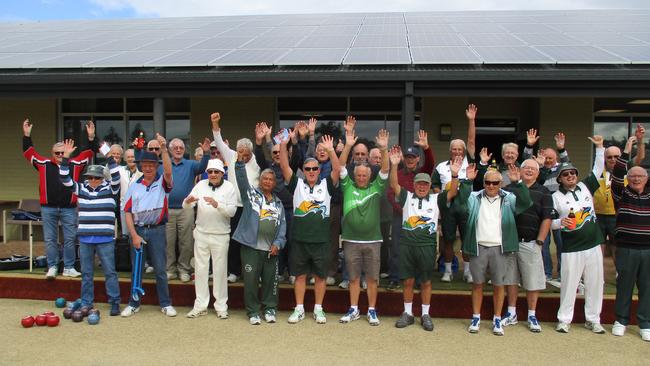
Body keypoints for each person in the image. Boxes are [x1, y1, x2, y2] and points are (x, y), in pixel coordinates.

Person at [390, 148, 459, 331]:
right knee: (408, 281)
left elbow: (452, 192)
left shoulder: (436, 199)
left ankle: (426, 314)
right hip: (407, 246)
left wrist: (454, 174)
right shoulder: (407, 196)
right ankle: (408, 313)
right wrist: (394, 165)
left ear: (429, 186)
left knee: (426, 281)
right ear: (414, 184)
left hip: (427, 246)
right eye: (419, 183)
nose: (422, 186)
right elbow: (394, 185)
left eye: (425, 184)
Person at [460, 163, 532, 336]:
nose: (491, 186)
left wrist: (519, 183)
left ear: (500, 184)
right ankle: (476, 317)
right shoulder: (475, 196)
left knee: (499, 285)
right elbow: (461, 203)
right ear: (483, 183)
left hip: (500, 247)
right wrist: (467, 182)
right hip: (478, 246)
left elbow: (525, 203)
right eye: (488, 183)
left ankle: (497, 318)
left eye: (495, 183)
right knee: (478, 284)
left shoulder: (509, 198)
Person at [22, 118, 97, 280]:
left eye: (63, 152)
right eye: (57, 153)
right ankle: (53, 267)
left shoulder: (75, 164)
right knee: (50, 239)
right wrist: (27, 135)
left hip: (69, 208)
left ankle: (69, 267)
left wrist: (91, 138)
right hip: (48, 208)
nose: (60, 155)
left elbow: (89, 154)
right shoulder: (43, 163)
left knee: (70, 238)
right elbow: (29, 153)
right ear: (52, 153)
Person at [279, 133, 340, 324]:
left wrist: (331, 150)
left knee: (321, 277)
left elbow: (338, 169)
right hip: (300, 240)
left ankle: (318, 309)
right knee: (300, 276)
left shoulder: (326, 184)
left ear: (319, 170)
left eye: (315, 168)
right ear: (303, 170)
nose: (312, 171)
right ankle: (299, 309)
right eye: (308, 168)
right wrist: (283, 144)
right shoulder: (297, 185)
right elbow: (284, 166)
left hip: (321, 241)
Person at [59, 139, 121, 316]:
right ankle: (86, 302)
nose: (93, 180)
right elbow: (64, 178)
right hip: (85, 239)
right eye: (90, 177)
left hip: (105, 239)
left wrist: (108, 156)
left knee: (110, 272)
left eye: (97, 177)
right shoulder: (81, 189)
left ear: (102, 178)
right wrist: (66, 158)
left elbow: (116, 175)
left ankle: (114, 302)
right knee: (86, 273)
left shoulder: (111, 189)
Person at [551, 135, 606, 334]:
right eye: (566, 174)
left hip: (593, 244)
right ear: (560, 178)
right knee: (569, 284)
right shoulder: (555, 197)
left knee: (595, 283)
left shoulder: (585, 186)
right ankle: (564, 319)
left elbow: (598, 169)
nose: (571, 176)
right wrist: (559, 222)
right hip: (571, 247)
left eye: (573, 173)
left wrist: (600, 147)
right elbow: (549, 222)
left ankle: (593, 319)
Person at [121, 133, 177, 318]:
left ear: (155, 166)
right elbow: (127, 212)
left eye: (151, 165)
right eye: (145, 165)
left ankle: (166, 303)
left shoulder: (162, 182)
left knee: (160, 269)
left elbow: (168, 172)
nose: (148, 168)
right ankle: (134, 303)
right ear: (141, 167)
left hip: (158, 230)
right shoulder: (133, 186)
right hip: (138, 231)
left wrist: (163, 149)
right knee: (137, 270)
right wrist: (134, 235)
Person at [338, 128, 390, 326]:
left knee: (371, 279)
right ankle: (353, 309)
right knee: (352, 278)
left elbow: (385, 171)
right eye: (358, 175)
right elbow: (341, 165)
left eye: (364, 175)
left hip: (373, 241)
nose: (361, 178)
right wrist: (349, 145)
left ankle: (371, 310)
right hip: (351, 240)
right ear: (355, 175)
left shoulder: (376, 188)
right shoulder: (347, 186)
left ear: (369, 176)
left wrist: (383, 149)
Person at [501, 159, 552, 333]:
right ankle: (511, 313)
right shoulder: (508, 190)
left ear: (538, 173)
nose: (529, 171)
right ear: (520, 171)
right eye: (526, 168)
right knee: (511, 279)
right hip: (510, 242)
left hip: (531, 242)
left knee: (532, 281)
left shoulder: (544, 192)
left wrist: (540, 240)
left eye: (533, 168)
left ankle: (531, 314)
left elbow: (547, 218)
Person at [232, 161, 286, 325]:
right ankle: (253, 311)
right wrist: (240, 165)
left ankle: (270, 309)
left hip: (271, 250)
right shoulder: (251, 196)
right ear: (260, 181)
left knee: (271, 282)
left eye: (271, 179)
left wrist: (278, 243)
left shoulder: (278, 203)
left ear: (274, 183)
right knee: (251, 282)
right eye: (265, 179)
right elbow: (242, 182)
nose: (268, 181)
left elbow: (282, 226)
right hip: (251, 249)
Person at [183, 159, 237, 319]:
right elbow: (185, 205)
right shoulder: (200, 185)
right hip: (201, 233)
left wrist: (217, 204)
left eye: (216, 171)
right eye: (210, 171)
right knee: (200, 270)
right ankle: (200, 305)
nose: (213, 174)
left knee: (220, 271)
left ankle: (221, 306)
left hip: (221, 235)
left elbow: (232, 212)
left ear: (222, 173)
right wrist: (188, 201)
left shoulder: (229, 187)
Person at [211, 112, 260, 283]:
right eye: (241, 153)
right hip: (233, 207)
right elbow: (218, 140)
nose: (243, 157)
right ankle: (233, 271)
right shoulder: (231, 156)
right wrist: (215, 124)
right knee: (233, 241)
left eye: (246, 154)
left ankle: (250, 271)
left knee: (250, 242)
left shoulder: (256, 161)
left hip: (251, 208)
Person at [611, 134, 650, 342]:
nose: (636, 178)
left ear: (646, 178)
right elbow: (617, 174)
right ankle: (621, 321)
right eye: (633, 176)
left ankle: (645, 323)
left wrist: (642, 144)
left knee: (647, 286)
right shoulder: (621, 193)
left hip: (649, 249)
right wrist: (627, 149)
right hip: (626, 248)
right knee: (624, 285)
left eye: (640, 176)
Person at [386, 130, 435, 290]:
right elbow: (391, 193)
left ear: (417, 159)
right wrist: (402, 210)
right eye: (407, 158)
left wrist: (426, 147)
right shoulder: (398, 174)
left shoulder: (423, 173)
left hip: (419, 217)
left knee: (418, 249)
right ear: (403, 159)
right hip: (400, 215)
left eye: (413, 157)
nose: (410, 160)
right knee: (396, 248)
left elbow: (431, 163)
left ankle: (420, 281)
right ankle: (394, 278)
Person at [432, 104, 476, 283]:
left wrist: (471, 120)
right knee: (448, 240)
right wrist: (441, 197)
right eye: (454, 149)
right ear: (450, 151)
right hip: (449, 208)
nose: (457, 151)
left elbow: (472, 141)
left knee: (467, 240)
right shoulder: (441, 166)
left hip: (466, 208)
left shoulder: (469, 163)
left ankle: (468, 272)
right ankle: (448, 271)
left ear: (464, 151)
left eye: (460, 149)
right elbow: (434, 184)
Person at [594, 124, 645, 267]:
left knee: (617, 246)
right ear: (605, 158)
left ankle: (619, 273)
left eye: (616, 156)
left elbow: (640, 157)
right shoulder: (598, 171)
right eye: (609, 157)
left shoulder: (627, 168)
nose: (613, 159)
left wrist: (640, 141)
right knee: (599, 247)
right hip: (598, 215)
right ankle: (599, 277)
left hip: (617, 215)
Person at [524, 130, 570, 284]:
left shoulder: (561, 169)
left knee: (561, 243)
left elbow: (567, 163)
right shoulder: (539, 170)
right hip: (542, 209)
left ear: (555, 158)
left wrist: (562, 148)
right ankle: (546, 273)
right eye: (546, 158)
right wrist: (530, 146)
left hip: (559, 209)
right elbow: (526, 162)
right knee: (543, 242)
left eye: (551, 158)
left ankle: (562, 275)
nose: (548, 160)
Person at [166, 137, 210, 282]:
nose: (179, 150)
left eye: (181, 147)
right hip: (167, 210)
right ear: (171, 150)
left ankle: (184, 269)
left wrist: (206, 152)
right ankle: (170, 270)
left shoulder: (191, 164)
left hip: (186, 209)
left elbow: (203, 168)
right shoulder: (164, 165)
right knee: (168, 242)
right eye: (175, 147)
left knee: (186, 242)